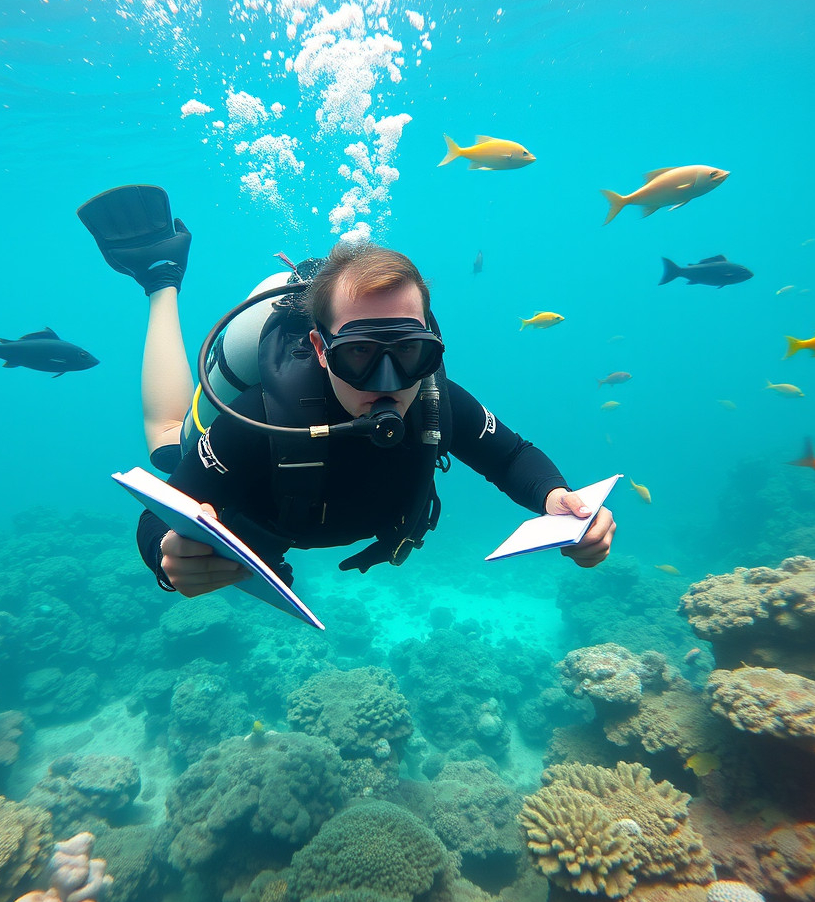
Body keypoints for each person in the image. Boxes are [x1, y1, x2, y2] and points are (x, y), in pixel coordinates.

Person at [78, 186, 615, 597]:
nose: (387, 385)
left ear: (434, 350)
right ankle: (161, 279)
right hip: (256, 506)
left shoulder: (435, 401)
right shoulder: (262, 416)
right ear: (318, 348)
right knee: (170, 442)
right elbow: (160, 513)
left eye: (408, 353)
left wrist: (558, 500)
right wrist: (168, 560)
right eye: (357, 354)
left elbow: (512, 456)